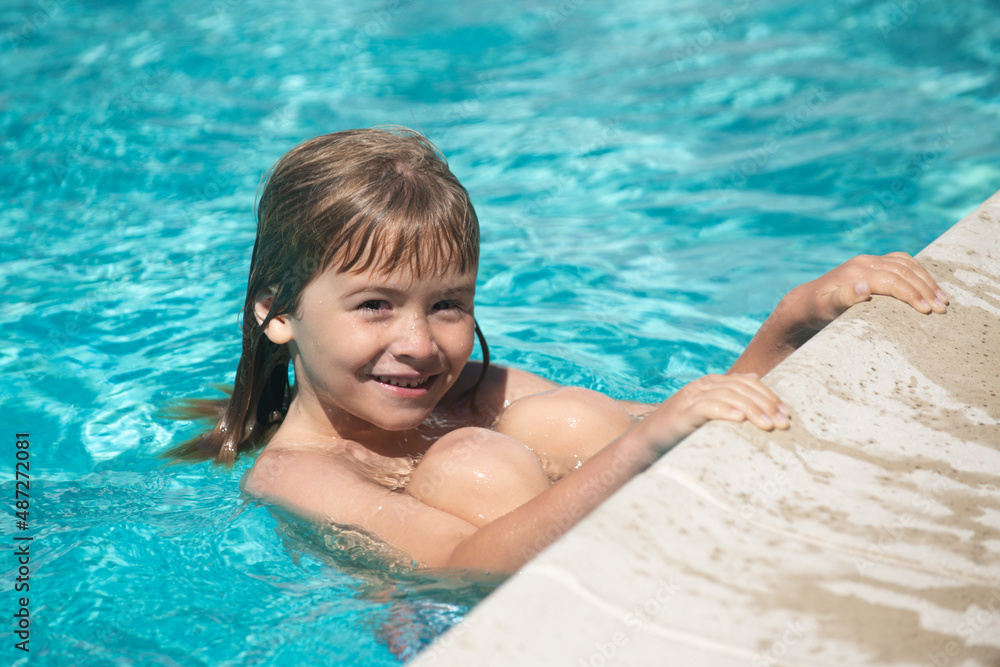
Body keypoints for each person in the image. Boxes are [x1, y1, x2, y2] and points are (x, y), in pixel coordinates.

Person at [163, 127, 949, 573]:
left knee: (565, 421)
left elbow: (702, 425)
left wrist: (802, 313)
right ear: (277, 313)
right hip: (471, 629)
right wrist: (642, 442)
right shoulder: (297, 473)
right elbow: (463, 561)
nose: (419, 341)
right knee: (476, 462)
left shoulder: (482, 391)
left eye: (448, 304)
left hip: (616, 566)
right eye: (375, 305)